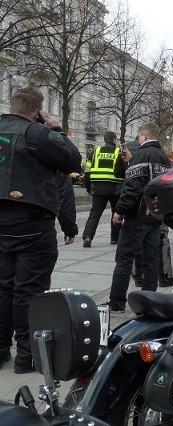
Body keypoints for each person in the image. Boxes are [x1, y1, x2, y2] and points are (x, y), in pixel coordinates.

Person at [0, 87, 81, 373]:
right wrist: (55, 128)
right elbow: (73, 161)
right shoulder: (37, 134)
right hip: (31, 226)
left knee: (2, 288)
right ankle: (26, 356)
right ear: (37, 111)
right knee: (29, 292)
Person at [107, 122, 171, 312]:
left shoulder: (142, 154)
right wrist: (129, 162)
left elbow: (133, 186)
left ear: (143, 136)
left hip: (137, 216)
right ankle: (148, 300)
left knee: (124, 258)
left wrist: (119, 210)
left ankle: (117, 301)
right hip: (155, 215)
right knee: (151, 260)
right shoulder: (164, 158)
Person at [81, 131, 125, 247]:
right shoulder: (118, 152)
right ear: (114, 140)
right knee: (116, 212)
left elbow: (87, 171)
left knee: (95, 213)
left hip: (98, 187)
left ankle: (88, 237)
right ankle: (115, 238)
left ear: (105, 140)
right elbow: (122, 170)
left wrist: (88, 187)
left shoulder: (96, 151)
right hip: (115, 187)